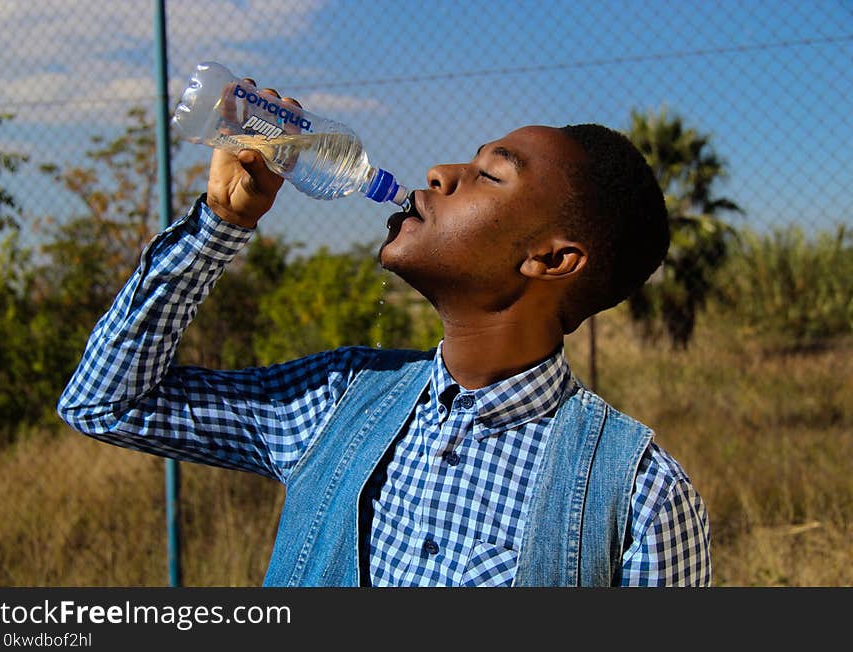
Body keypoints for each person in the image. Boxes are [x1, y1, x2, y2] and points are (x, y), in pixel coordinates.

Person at [57, 82, 711, 587]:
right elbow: (106, 402)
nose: (439, 174)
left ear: (551, 259)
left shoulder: (640, 494)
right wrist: (221, 224)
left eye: (489, 173)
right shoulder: (340, 398)